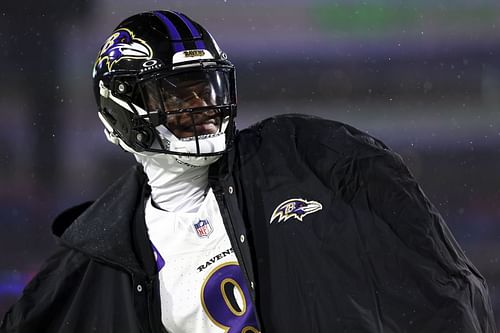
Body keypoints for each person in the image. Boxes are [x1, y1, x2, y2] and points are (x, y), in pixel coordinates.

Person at [0, 10, 497, 333]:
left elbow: (440, 281)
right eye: (175, 93)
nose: (200, 106)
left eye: (206, 87)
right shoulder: (93, 261)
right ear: (121, 111)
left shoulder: (307, 157)